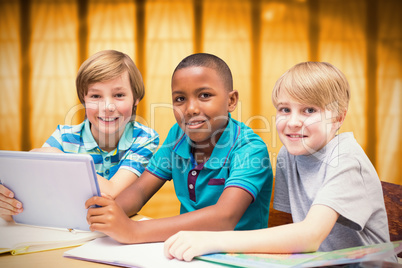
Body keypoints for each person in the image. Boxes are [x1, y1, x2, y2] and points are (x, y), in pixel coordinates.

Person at [164, 61, 396, 263]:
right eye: (285, 109)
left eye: (309, 110)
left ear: (339, 117)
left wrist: (210, 239)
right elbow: (291, 229)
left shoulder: (345, 159)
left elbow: (309, 235)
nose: (293, 122)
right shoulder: (289, 155)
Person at [84, 53, 273, 244]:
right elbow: (140, 190)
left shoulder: (250, 149)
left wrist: (134, 230)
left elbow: (223, 218)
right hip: (185, 251)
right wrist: (109, 215)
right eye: (180, 98)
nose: (190, 109)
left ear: (231, 101)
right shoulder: (178, 135)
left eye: (205, 95)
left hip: (238, 255)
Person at [0, 50, 159, 221]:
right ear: (84, 100)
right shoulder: (64, 136)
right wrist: (9, 205)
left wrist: (59, 159)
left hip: (117, 231)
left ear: (136, 98)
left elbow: (112, 192)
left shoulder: (144, 138)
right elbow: (32, 198)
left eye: (119, 95)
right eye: (95, 96)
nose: (107, 106)